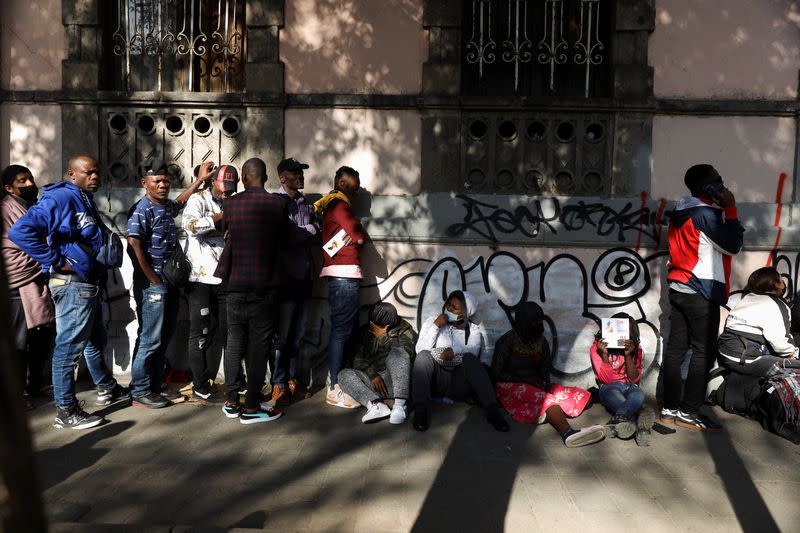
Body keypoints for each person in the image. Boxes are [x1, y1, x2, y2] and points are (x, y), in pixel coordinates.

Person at [9, 155, 125, 429]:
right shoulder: (61, 197)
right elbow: (20, 232)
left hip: (87, 283)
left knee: (94, 339)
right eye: (89, 173)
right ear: (72, 174)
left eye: (97, 172)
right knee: (68, 348)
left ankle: (106, 387)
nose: (95, 177)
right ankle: (66, 411)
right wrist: (54, 260)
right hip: (72, 285)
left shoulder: (82, 197)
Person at [660, 164, 744, 431]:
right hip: (700, 291)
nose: (724, 184)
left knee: (675, 351)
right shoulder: (706, 215)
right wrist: (730, 208)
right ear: (708, 187)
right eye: (719, 180)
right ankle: (688, 412)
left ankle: (668, 409)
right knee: (703, 353)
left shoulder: (680, 211)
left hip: (679, 288)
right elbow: (733, 245)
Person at [126, 158, 214, 409]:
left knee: (163, 337)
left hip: (170, 282)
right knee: (150, 338)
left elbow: (181, 201)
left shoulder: (164, 206)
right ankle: (140, 390)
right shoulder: (141, 209)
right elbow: (133, 245)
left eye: (166, 180)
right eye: (157, 181)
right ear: (145, 183)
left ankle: (153, 387)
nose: (163, 185)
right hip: (154, 285)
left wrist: (199, 181)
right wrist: (151, 278)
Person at [214, 157, 286, 424]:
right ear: (265, 177)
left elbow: (226, 231)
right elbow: (284, 238)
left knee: (234, 343)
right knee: (258, 346)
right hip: (264, 287)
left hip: (234, 285)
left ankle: (232, 401)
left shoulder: (230, 204)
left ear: (243, 177)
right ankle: (253, 405)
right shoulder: (277, 204)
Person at [492, 301, 604, 447]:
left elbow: (544, 370)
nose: (539, 326)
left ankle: (541, 413)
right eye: (535, 322)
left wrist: (543, 382)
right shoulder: (506, 342)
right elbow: (495, 373)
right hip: (509, 387)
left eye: (540, 321)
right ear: (524, 323)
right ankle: (567, 433)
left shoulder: (541, 342)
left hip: (533, 385)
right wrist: (526, 380)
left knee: (580, 396)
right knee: (548, 399)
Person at [412, 290, 509, 432]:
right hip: (435, 380)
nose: (449, 309)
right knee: (423, 357)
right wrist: (436, 326)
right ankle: (421, 410)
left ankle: (492, 410)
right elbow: (420, 350)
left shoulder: (473, 330)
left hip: (457, 383)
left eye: (455, 308)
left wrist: (453, 351)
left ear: (465, 313)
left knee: (470, 360)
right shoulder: (432, 321)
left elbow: (473, 352)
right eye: (448, 304)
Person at [182, 164, 238, 401]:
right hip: (200, 277)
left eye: (231, 188)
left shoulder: (233, 201)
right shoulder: (198, 199)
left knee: (228, 331)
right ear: (214, 182)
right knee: (201, 331)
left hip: (224, 276)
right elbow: (191, 226)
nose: (226, 192)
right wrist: (221, 218)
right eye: (223, 187)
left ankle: (235, 381)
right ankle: (199, 382)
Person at [2, 165, 54, 407]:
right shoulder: (6, 209)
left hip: (36, 281)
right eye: (22, 180)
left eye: (30, 178)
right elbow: (18, 246)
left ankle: (36, 383)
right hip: (16, 284)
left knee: (41, 336)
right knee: (19, 342)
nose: (29, 183)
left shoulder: (31, 206)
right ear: (8, 188)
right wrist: (48, 258)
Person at [314, 166, 366, 409]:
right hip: (344, 276)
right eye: (354, 188)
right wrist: (355, 237)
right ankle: (335, 388)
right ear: (342, 184)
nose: (355, 193)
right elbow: (359, 237)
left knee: (342, 331)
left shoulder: (331, 205)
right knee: (342, 332)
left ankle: (337, 382)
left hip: (339, 277)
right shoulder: (340, 205)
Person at [270, 157, 320, 406]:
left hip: (305, 276)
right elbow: (288, 235)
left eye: (301, 172)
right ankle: (278, 384)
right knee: (282, 336)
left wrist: (307, 231)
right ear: (282, 178)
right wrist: (307, 230)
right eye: (295, 172)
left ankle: (291, 380)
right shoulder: (276, 202)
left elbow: (315, 233)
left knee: (298, 333)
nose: (300, 176)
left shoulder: (305, 203)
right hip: (285, 279)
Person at [338, 303, 417, 424]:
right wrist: (372, 374)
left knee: (398, 354)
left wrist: (382, 336)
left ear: (387, 326)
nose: (371, 326)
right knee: (343, 374)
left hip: (397, 382)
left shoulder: (405, 330)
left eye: (374, 325)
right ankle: (376, 404)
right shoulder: (365, 331)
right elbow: (356, 358)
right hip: (375, 384)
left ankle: (400, 405)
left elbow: (405, 356)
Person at [718, 267, 800, 376]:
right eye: (780, 279)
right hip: (745, 357)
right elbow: (780, 344)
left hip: (725, 351)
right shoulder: (777, 304)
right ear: (776, 284)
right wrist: (793, 353)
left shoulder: (749, 297)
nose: (783, 283)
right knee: (795, 367)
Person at [590, 313, 655, 446]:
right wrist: (604, 356)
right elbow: (606, 380)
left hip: (630, 386)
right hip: (608, 387)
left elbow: (633, 379)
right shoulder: (597, 348)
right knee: (625, 402)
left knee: (638, 394)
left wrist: (629, 356)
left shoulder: (635, 348)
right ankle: (640, 423)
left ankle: (614, 423)